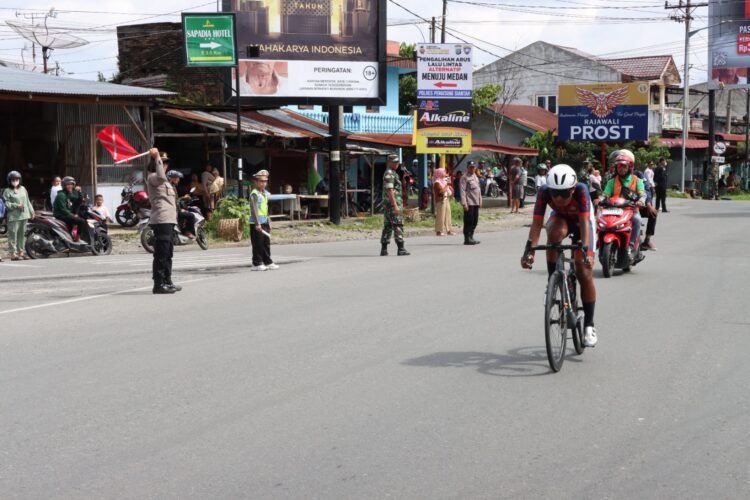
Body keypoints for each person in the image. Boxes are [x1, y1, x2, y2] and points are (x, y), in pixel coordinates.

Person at [521, 164, 598, 347]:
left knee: (584, 271)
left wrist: (586, 251)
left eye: (564, 194)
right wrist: (529, 251)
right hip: (561, 219)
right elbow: (537, 223)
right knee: (553, 234)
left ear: (572, 188)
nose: (558, 198)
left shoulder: (581, 190)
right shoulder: (544, 192)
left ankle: (589, 325)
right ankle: (552, 280)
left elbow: (585, 223)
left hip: (582, 223)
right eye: (555, 193)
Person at [601, 149, 646, 261]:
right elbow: (605, 195)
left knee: (637, 220)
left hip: (631, 210)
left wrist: (641, 200)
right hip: (613, 210)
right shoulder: (611, 182)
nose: (621, 168)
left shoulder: (637, 180)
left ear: (629, 167)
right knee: (600, 221)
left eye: (623, 166)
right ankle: (600, 245)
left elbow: (642, 194)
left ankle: (630, 246)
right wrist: (600, 200)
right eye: (619, 166)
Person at [146, 148, 180, 294]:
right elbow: (160, 176)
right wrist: (157, 157)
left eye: (166, 163)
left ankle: (167, 280)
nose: (165, 165)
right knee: (161, 253)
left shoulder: (166, 182)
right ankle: (158, 284)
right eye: (162, 162)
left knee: (168, 252)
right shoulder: (154, 177)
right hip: (161, 220)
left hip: (169, 220)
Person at [249, 169, 279, 270]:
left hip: (264, 221)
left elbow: (265, 209)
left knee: (266, 242)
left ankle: (267, 261)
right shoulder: (254, 193)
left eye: (265, 181)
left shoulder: (264, 193)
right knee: (258, 243)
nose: (263, 183)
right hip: (256, 223)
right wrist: (257, 223)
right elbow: (254, 210)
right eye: (261, 181)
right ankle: (256, 263)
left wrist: (269, 221)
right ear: (256, 182)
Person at [380, 154, 410, 256]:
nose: (397, 164)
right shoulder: (389, 174)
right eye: (394, 162)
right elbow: (390, 190)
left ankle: (384, 249)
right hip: (393, 204)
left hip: (390, 204)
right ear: (389, 162)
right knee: (398, 224)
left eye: (397, 162)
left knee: (388, 226)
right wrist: (395, 206)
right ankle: (401, 248)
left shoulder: (393, 173)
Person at [2, 171, 35, 261]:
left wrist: (32, 211)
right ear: (9, 180)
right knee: (13, 235)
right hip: (13, 216)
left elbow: (27, 201)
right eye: (13, 179)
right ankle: (13, 254)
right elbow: (6, 203)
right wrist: (16, 205)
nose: (15, 181)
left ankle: (21, 252)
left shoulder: (23, 189)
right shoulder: (7, 191)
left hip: (24, 215)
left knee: (22, 235)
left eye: (17, 179)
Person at [53, 176, 88, 243]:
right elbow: (63, 209)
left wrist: (79, 192)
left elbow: (78, 201)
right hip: (60, 215)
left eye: (72, 184)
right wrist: (72, 215)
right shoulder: (61, 195)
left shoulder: (68, 194)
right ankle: (77, 239)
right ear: (64, 185)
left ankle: (69, 240)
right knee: (81, 221)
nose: (70, 186)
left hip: (65, 214)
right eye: (68, 184)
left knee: (71, 225)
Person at [634, 169, 658, 251]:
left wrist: (648, 203)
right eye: (619, 165)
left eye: (625, 165)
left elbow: (646, 189)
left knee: (653, 213)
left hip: (637, 204)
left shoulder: (638, 174)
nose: (622, 168)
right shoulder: (616, 176)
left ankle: (647, 241)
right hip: (621, 206)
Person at [168, 170, 196, 239]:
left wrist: (183, 198)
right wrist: (180, 210)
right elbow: (173, 201)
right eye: (177, 178)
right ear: (172, 178)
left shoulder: (171, 186)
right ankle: (187, 231)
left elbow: (175, 200)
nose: (178, 180)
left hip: (171, 210)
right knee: (191, 216)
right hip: (172, 211)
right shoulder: (170, 187)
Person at [460, 160, 482, 245]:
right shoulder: (464, 177)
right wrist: (464, 203)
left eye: (473, 167)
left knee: (475, 220)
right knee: (469, 220)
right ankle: (467, 238)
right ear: (467, 167)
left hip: (476, 202)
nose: (472, 169)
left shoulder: (475, 176)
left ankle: (471, 236)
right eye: (470, 167)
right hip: (469, 202)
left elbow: (478, 189)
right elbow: (462, 191)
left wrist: (480, 200)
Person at [433, 167, 454, 236]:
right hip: (440, 200)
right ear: (439, 173)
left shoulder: (443, 180)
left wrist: (449, 186)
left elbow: (448, 187)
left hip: (446, 199)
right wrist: (447, 185)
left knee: (448, 215)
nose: (444, 173)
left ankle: (449, 230)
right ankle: (439, 231)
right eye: (443, 172)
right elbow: (441, 192)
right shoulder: (437, 182)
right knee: (440, 216)